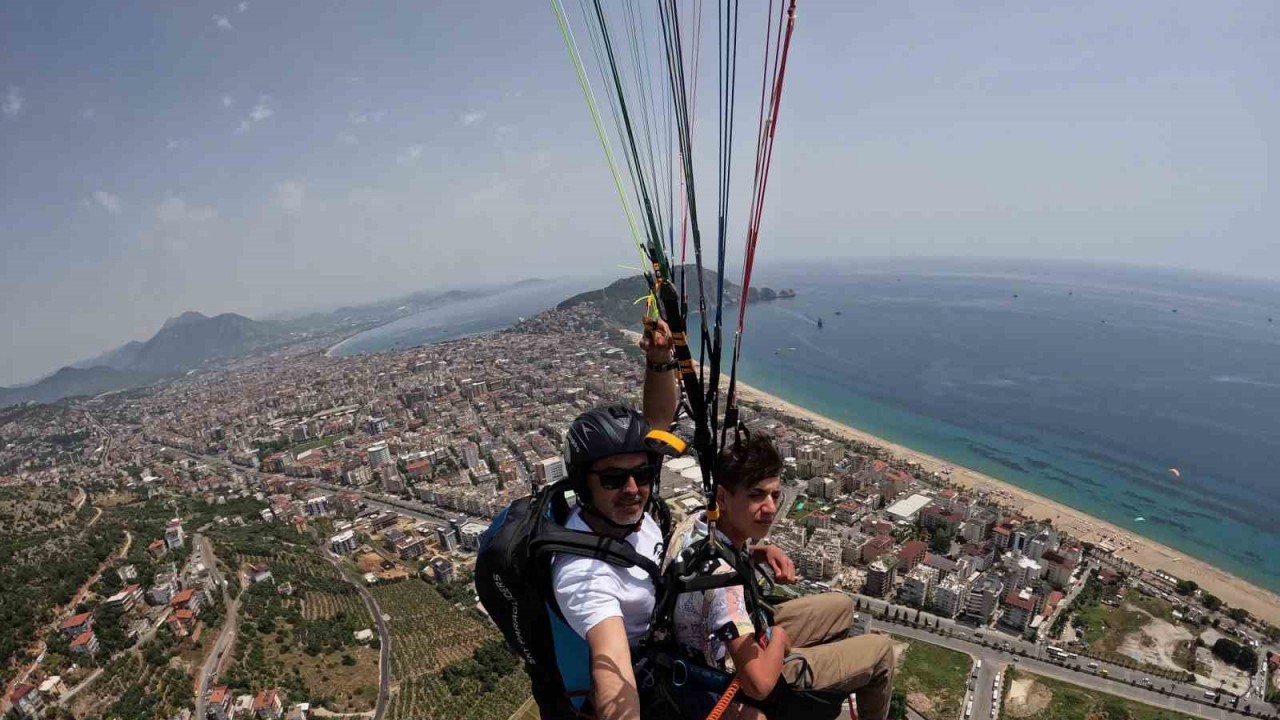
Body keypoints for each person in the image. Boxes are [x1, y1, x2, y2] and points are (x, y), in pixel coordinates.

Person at [668, 430, 897, 720]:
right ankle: (804, 689)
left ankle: (818, 680)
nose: (771, 508)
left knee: (842, 606)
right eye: (756, 495)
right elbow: (758, 685)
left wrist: (759, 552)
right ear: (723, 497)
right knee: (881, 652)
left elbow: (714, 571)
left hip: (719, 641)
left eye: (775, 495)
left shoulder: (698, 524)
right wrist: (778, 638)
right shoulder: (723, 585)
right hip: (732, 673)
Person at [549, 318, 680, 720]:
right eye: (612, 478)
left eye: (643, 475)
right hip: (652, 671)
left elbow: (657, 426)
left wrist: (659, 359)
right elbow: (611, 663)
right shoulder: (582, 573)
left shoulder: (622, 515)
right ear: (583, 484)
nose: (632, 489)